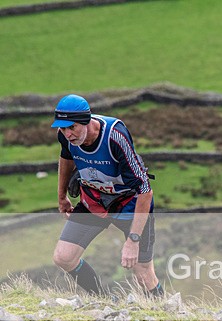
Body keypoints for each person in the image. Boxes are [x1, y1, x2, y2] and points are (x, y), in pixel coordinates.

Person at [50, 94, 163, 298]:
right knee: (63, 257)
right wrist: (62, 196)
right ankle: (103, 300)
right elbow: (66, 157)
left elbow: (145, 190)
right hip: (94, 202)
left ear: (86, 121)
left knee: (143, 273)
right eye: (63, 128)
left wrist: (133, 239)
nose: (68, 134)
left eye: (72, 127)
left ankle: (166, 314)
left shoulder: (114, 137)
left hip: (130, 205)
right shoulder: (65, 136)